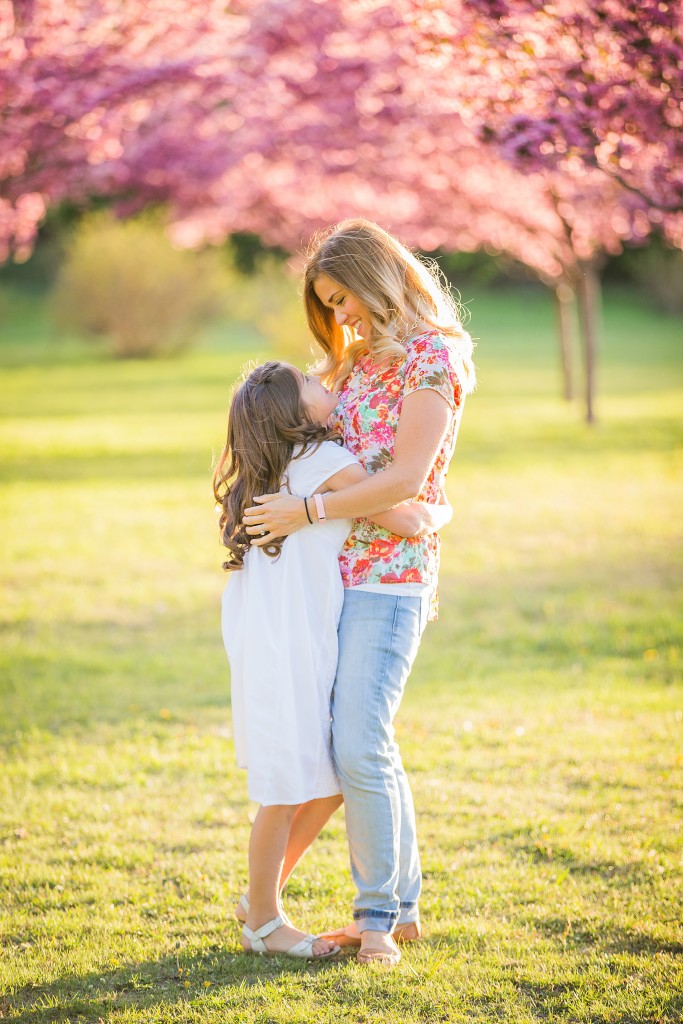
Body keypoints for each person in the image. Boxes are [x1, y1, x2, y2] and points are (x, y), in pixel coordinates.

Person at [243, 219, 476, 966]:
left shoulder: (432, 360)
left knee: (360, 743)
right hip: (324, 583)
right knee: (356, 745)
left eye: (343, 299)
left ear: (378, 279)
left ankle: (375, 917)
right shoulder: (350, 366)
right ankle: (398, 908)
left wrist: (316, 510)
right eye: (328, 306)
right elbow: (310, 451)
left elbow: (407, 477)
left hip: (390, 580)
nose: (338, 317)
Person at [214, 359, 451, 960]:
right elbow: (403, 517)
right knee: (287, 783)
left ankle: (259, 899)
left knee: (325, 772)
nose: (329, 385)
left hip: (266, 639)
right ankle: (264, 919)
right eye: (314, 385)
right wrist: (441, 510)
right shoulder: (323, 463)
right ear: (297, 415)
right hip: (297, 645)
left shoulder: (269, 469)